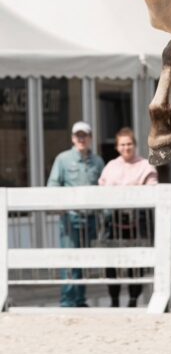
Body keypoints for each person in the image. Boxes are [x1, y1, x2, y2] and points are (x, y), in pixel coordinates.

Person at [47, 121, 105, 307]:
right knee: (70, 259)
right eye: (78, 136)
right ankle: (68, 301)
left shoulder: (97, 161)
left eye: (84, 135)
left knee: (84, 260)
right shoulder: (63, 159)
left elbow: (104, 187)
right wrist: (61, 205)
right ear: (73, 138)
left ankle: (80, 300)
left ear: (90, 138)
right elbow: (53, 185)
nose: (81, 139)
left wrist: (104, 215)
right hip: (70, 219)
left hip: (91, 219)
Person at [99, 127, 158, 307]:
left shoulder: (145, 165)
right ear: (117, 147)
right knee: (112, 261)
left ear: (135, 145)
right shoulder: (110, 166)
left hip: (137, 221)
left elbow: (152, 189)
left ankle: (133, 299)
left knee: (136, 261)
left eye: (129, 144)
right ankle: (114, 299)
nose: (126, 148)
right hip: (114, 221)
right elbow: (101, 190)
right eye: (123, 144)